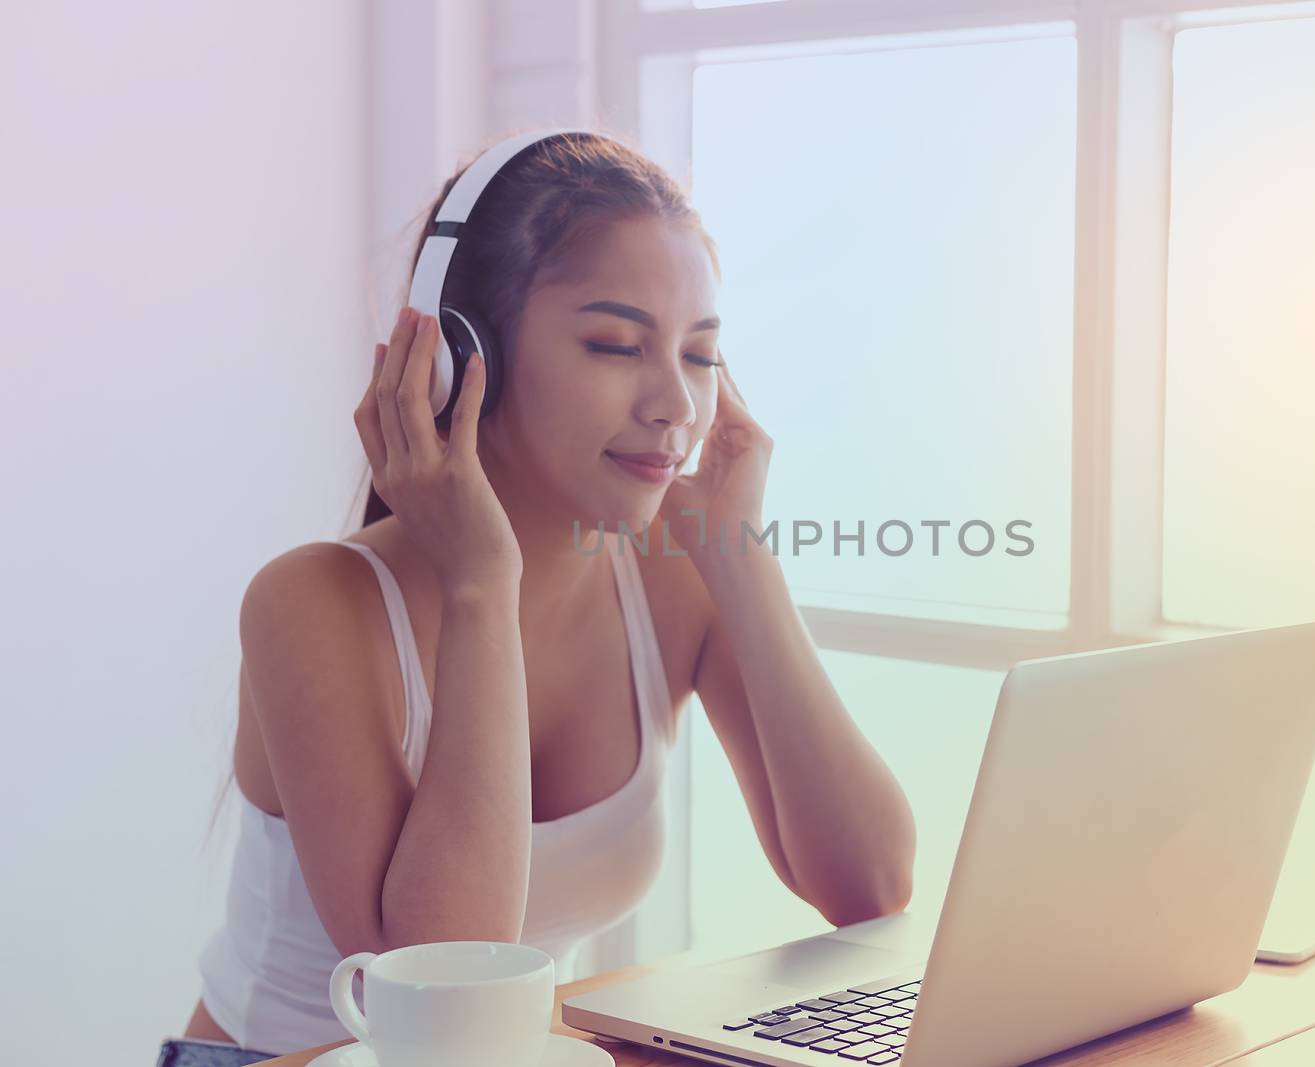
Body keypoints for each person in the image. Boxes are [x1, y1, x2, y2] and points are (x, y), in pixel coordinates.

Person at [161, 130, 916, 1064]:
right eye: (616, 344)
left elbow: (870, 887)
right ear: (458, 355)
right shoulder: (312, 604)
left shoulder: (674, 574)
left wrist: (740, 554)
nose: (676, 403)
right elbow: (439, 983)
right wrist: (484, 582)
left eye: (700, 355)